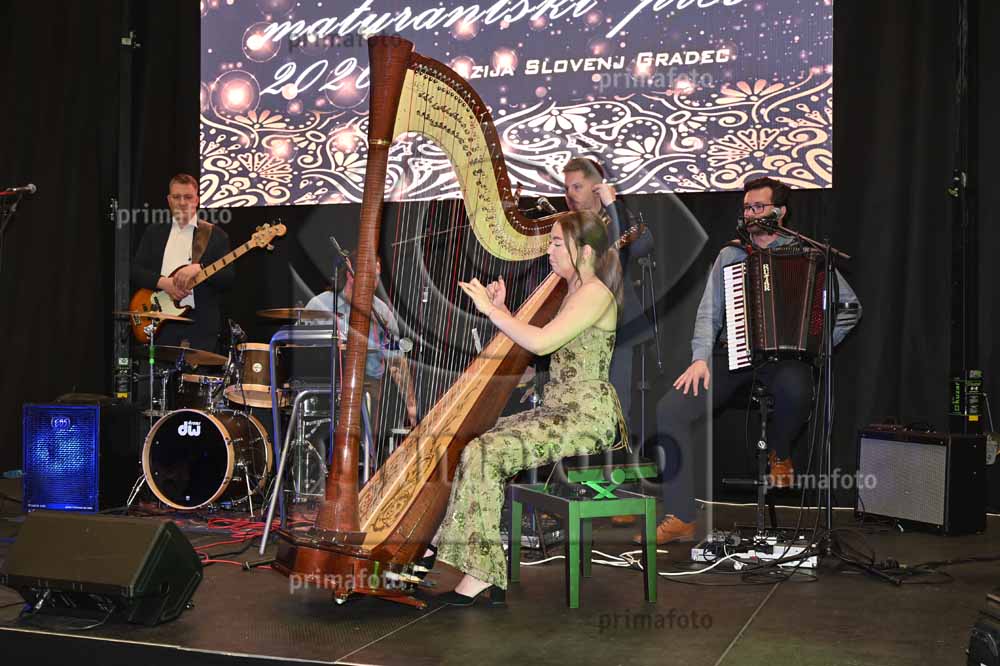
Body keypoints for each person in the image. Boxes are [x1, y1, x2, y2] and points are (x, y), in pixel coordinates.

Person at [641, 176, 862, 545]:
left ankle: (780, 452)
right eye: (747, 207)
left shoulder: (808, 255)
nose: (751, 213)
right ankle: (681, 515)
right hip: (735, 352)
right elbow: (709, 313)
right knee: (671, 409)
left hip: (787, 357)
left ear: (780, 212)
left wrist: (821, 345)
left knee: (797, 388)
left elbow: (851, 307)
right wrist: (700, 359)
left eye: (759, 207)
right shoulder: (731, 256)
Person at [431, 210, 626, 605]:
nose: (548, 251)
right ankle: (462, 555)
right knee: (475, 442)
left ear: (585, 251)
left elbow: (541, 343)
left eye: (556, 243)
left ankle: (480, 574)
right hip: (558, 409)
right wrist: (506, 310)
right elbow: (541, 337)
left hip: (586, 417)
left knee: (487, 452)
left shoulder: (594, 293)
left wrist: (493, 312)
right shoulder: (573, 290)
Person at [305, 251, 418, 438]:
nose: (375, 283)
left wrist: (411, 404)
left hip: (367, 388)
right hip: (322, 386)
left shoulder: (382, 313)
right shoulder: (320, 304)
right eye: (371, 276)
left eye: (377, 277)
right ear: (350, 275)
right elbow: (299, 350)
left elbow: (396, 363)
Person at [131, 173, 234, 351]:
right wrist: (164, 283)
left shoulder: (216, 235)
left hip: (200, 326)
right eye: (177, 197)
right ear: (169, 200)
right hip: (161, 323)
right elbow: (135, 271)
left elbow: (228, 277)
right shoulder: (154, 232)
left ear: (197, 200)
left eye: (188, 197)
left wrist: (200, 268)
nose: (182, 202)